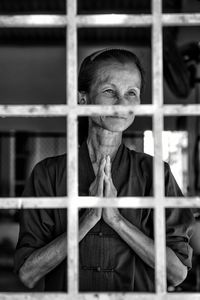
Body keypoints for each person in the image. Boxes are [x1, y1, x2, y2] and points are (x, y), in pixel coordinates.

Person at [14, 48, 194, 292]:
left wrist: (116, 220)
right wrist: (88, 220)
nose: (122, 103)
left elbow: (177, 273)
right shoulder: (48, 174)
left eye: (132, 92)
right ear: (83, 98)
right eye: (110, 91)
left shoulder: (155, 174)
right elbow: (27, 274)